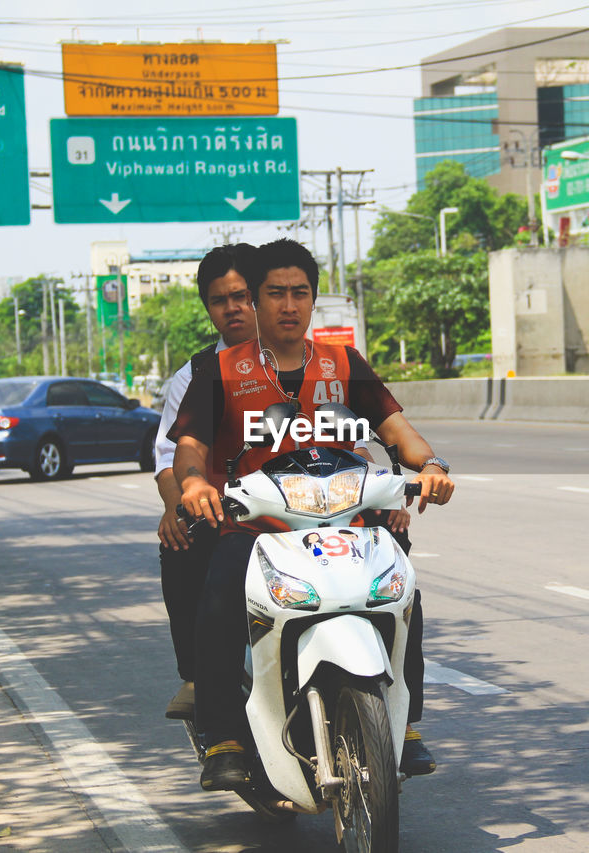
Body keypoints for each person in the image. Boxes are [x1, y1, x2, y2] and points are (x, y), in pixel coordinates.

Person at [171, 238, 454, 791]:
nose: (288, 305)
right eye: (275, 293)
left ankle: (407, 722)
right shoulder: (219, 370)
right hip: (258, 527)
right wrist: (195, 482)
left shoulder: (344, 363)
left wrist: (432, 465)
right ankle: (225, 733)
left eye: (300, 293)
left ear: (313, 299)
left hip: (346, 519)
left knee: (402, 588)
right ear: (254, 300)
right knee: (221, 588)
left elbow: (397, 431)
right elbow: (189, 445)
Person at [155, 243, 261, 721]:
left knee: (391, 539)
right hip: (229, 510)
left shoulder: (313, 360)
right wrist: (180, 503)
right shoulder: (194, 376)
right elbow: (167, 454)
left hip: (311, 507)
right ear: (208, 308)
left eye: (242, 295)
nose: (233, 308)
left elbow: (355, 439)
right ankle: (199, 677)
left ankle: (399, 714)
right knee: (180, 537)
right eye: (220, 300)